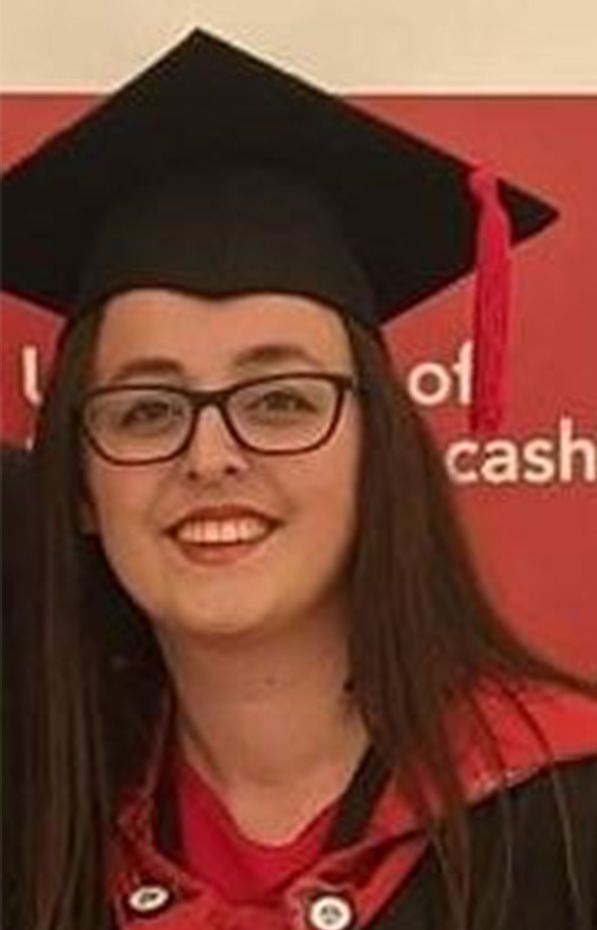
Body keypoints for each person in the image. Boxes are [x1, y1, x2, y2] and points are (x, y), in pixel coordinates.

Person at [1, 28, 596, 930]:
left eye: (279, 400)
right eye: (146, 410)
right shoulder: (42, 833)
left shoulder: (568, 819)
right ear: (82, 490)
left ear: (377, 451)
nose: (208, 457)